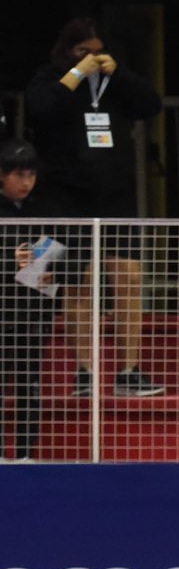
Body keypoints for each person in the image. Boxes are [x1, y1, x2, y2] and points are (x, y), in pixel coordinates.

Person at [25, 18, 165, 398]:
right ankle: (85, 373)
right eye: (83, 52)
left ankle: (129, 371)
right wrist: (74, 74)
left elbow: (151, 104)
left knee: (128, 278)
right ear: (67, 53)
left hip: (115, 193)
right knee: (78, 286)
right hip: (67, 195)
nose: (92, 59)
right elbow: (39, 109)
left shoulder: (114, 83)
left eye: (97, 52)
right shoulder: (52, 78)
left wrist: (118, 74)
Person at [1, 139, 59, 461]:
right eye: (18, 175)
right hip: (3, 313)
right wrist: (8, 260)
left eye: (31, 175)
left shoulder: (46, 211)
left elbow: (62, 257)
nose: (26, 182)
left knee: (28, 387)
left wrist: (51, 276)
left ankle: (24, 454)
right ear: (2, 175)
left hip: (32, 315)